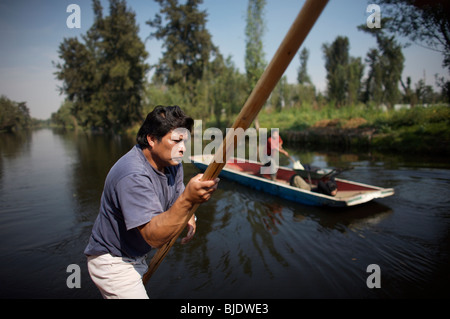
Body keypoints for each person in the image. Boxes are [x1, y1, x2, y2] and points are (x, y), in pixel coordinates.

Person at [84, 105, 220, 299]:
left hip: (137, 254)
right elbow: (154, 237)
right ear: (152, 139)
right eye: (176, 141)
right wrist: (189, 199)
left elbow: (177, 195)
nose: (183, 149)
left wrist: (190, 215)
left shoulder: (172, 162)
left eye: (185, 141)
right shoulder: (132, 174)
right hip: (113, 261)